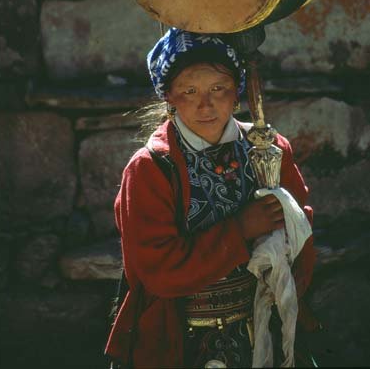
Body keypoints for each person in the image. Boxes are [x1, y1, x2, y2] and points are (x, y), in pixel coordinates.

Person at [105, 27, 316, 369]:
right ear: (169, 98)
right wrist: (241, 229)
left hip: (264, 331)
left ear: (237, 93)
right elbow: (157, 270)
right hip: (179, 342)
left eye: (218, 88)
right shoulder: (150, 169)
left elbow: (302, 237)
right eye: (190, 90)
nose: (206, 104)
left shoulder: (271, 151)